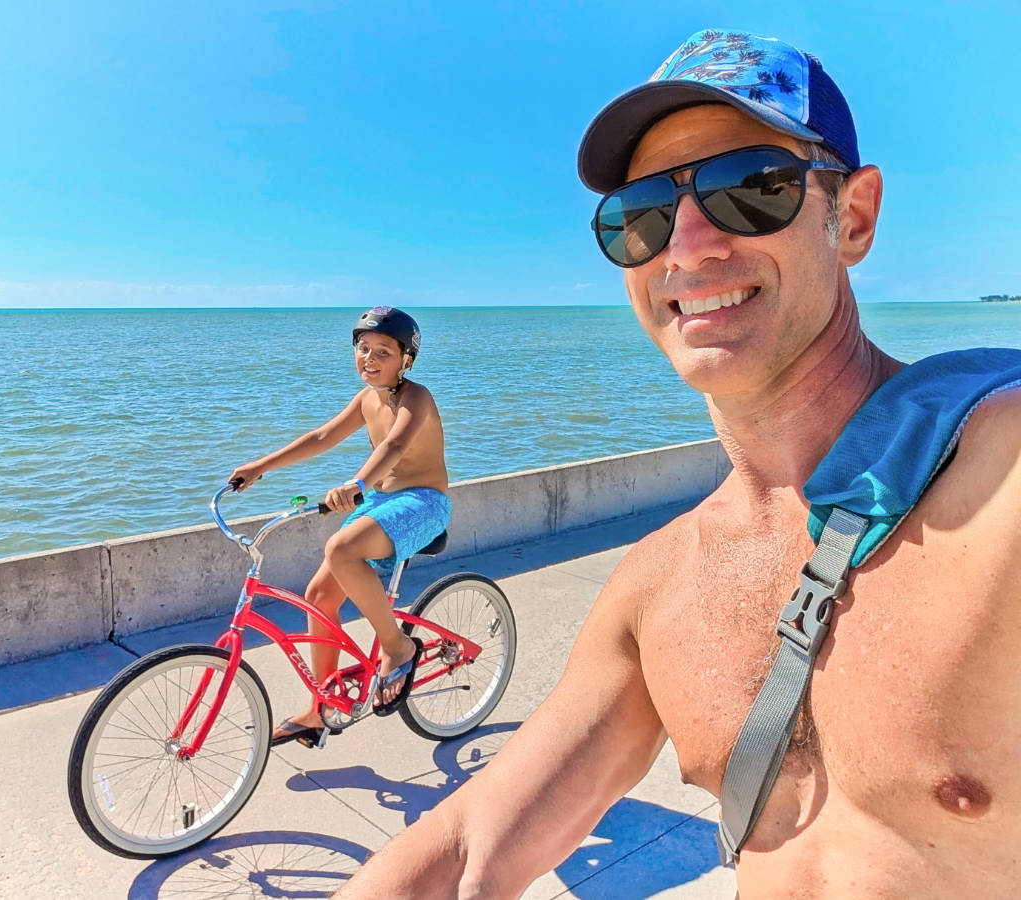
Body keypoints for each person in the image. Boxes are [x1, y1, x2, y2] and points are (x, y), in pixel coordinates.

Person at [337, 30, 1021, 898]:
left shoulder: (1000, 475)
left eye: (753, 188)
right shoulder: (662, 586)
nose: (688, 247)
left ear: (850, 216)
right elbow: (472, 848)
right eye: (642, 217)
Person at [228, 305, 450, 746]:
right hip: (381, 500)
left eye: (383, 351)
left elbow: (396, 443)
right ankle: (319, 709)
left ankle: (397, 646)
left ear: (406, 360)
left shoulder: (416, 397)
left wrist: (357, 483)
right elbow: (322, 437)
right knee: (318, 597)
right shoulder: (367, 398)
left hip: (424, 501)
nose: (369, 358)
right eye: (363, 348)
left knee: (341, 548)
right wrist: (261, 466)